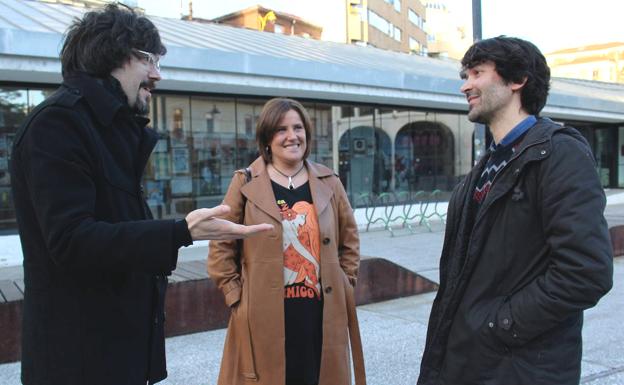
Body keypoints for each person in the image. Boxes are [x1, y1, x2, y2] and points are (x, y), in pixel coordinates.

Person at [10, 4, 271, 385]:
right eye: (148, 59)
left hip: (118, 354)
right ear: (112, 55)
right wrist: (180, 232)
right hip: (79, 362)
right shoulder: (57, 124)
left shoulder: (110, 130)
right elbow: (71, 241)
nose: (157, 75)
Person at [417, 36, 613, 385]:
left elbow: (585, 273)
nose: (466, 85)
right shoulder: (486, 166)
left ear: (517, 79)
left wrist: (498, 325)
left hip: (519, 368)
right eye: (465, 75)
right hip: (469, 362)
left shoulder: (559, 155)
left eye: (477, 73)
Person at [208, 98, 366, 385]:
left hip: (320, 311)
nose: (292, 136)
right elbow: (221, 244)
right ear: (267, 138)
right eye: (281, 129)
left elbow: (350, 239)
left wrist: (346, 281)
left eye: (298, 127)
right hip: (262, 313)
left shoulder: (329, 181)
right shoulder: (245, 183)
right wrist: (236, 296)